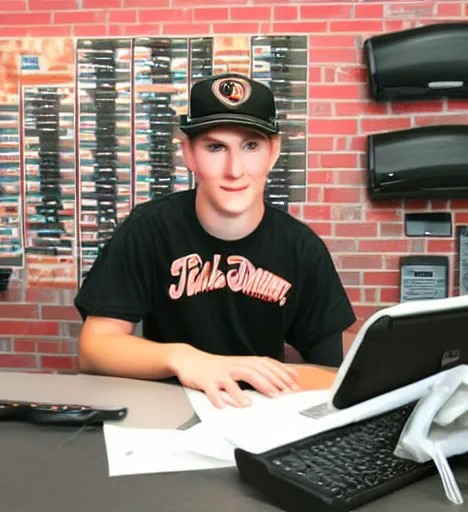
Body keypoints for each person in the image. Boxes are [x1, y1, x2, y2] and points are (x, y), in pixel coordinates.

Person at [74, 73, 356, 409]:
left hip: (259, 414)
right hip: (168, 411)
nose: (235, 169)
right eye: (215, 147)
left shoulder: (300, 246)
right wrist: (185, 359)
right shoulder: (149, 228)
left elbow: (334, 366)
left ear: (274, 152)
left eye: (250, 145)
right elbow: (94, 349)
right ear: (189, 155)